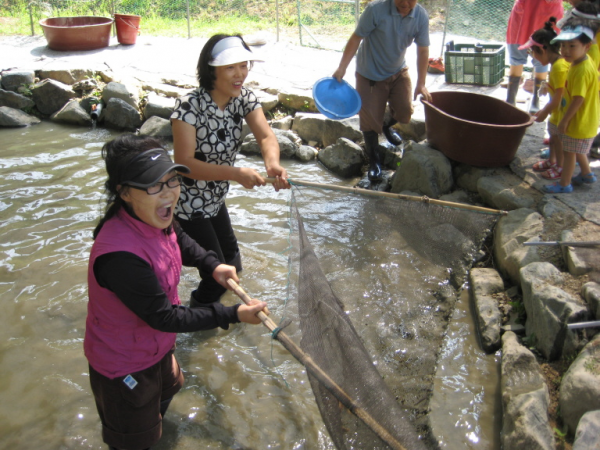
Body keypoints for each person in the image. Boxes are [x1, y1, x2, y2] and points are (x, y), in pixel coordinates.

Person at [84, 134, 268, 450]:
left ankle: (152, 430)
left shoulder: (155, 216)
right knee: (132, 440)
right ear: (124, 192)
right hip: (124, 365)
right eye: (155, 185)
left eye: (172, 180)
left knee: (169, 388)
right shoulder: (119, 256)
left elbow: (180, 239)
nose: (169, 192)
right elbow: (165, 317)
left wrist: (212, 266)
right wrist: (232, 314)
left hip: (155, 347)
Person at [171, 34, 290, 306]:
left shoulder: (243, 98)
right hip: (187, 204)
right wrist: (235, 173)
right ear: (211, 70)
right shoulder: (189, 106)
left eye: (244, 65)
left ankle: (205, 316)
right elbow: (185, 164)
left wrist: (272, 164)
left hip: (214, 199)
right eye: (230, 67)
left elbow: (265, 136)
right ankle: (195, 319)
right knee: (217, 277)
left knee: (233, 265)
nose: (240, 74)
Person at [332, 0, 433, 182]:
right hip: (369, 74)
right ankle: (374, 161)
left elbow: (423, 50)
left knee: (405, 113)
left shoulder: (420, 16)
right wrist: (342, 68)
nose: (405, 3)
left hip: (398, 70)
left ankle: (385, 125)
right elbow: (356, 38)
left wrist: (422, 83)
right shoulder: (375, 10)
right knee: (369, 122)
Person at [543, 25, 599, 193]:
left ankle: (564, 184)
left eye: (572, 46)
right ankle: (587, 174)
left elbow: (578, 99)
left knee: (569, 153)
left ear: (587, 46)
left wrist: (564, 121)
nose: (565, 50)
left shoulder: (581, 70)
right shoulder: (582, 62)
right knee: (578, 149)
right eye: (563, 46)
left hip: (578, 120)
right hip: (587, 120)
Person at [520, 18, 569, 180]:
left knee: (559, 139)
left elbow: (558, 97)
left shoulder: (560, 68)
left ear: (543, 50)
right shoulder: (556, 65)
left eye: (532, 52)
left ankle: (560, 167)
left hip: (563, 111)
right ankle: (552, 161)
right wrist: (547, 86)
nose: (532, 57)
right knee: (553, 136)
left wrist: (544, 112)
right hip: (558, 111)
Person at [505, 0, 564, 113]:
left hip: (548, 11)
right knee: (517, 53)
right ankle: (510, 99)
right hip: (525, 9)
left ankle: (536, 99)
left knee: (543, 53)